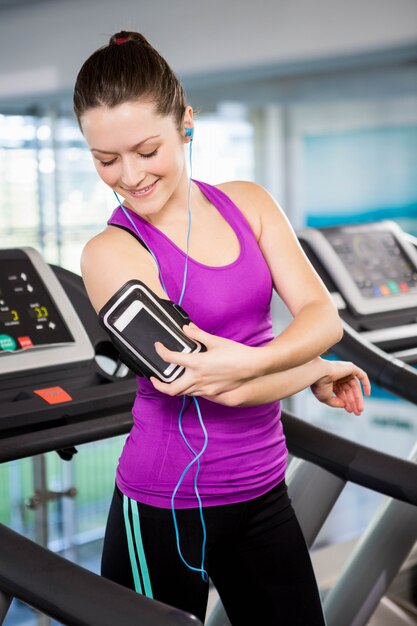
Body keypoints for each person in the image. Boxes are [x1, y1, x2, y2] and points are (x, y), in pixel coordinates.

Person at [73, 31, 371, 625]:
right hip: (163, 506)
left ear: (185, 122)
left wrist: (283, 359)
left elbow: (322, 317)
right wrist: (305, 366)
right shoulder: (112, 252)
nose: (129, 176)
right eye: (106, 160)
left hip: (262, 488)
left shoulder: (249, 204)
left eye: (145, 149)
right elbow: (216, 383)